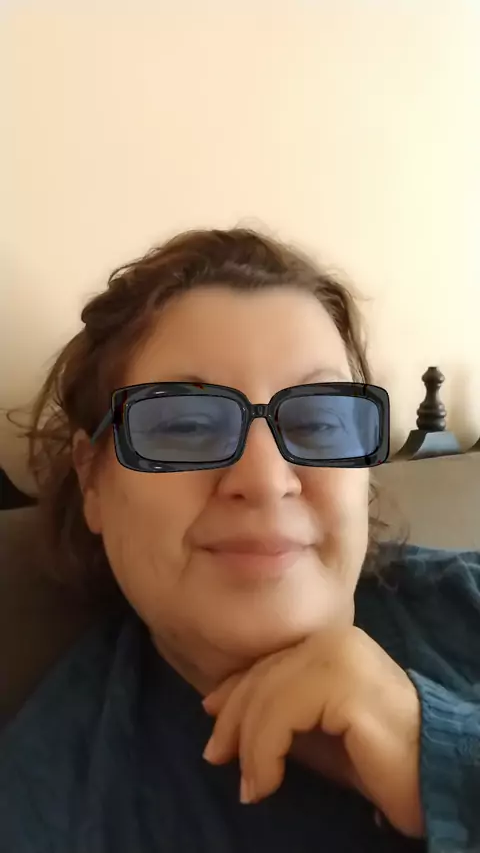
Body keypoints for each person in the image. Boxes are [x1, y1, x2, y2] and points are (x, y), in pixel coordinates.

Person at [1, 227, 479, 853]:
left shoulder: (468, 600)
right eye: (185, 426)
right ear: (93, 482)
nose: (265, 480)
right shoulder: (51, 809)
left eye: (318, 422)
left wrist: (441, 758)